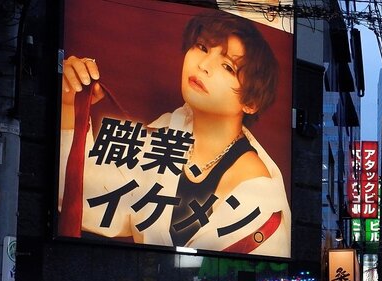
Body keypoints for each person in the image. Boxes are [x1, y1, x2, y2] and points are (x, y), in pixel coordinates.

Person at [58, 10, 290, 256]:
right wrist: (68, 104)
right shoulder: (169, 134)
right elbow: (88, 196)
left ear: (251, 102)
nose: (203, 66)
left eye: (227, 66)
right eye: (201, 47)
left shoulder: (258, 195)